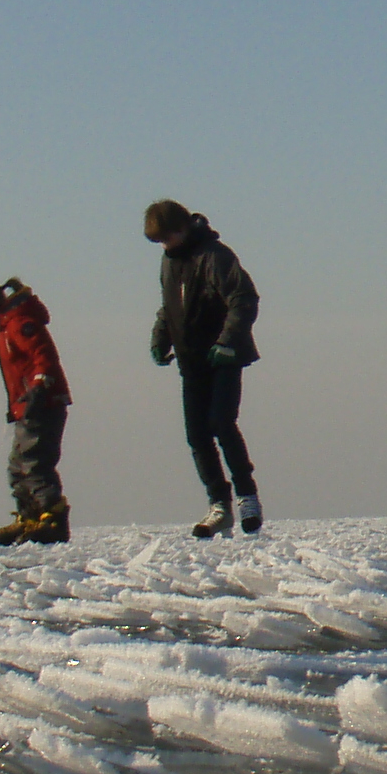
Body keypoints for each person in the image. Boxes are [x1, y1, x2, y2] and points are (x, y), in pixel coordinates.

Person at [142, 200, 261, 537]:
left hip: (223, 356)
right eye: (161, 241)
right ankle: (218, 505)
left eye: (169, 237)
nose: (166, 245)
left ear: (183, 228)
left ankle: (247, 497)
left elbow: (244, 298)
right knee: (197, 435)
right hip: (191, 361)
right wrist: (160, 339)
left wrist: (227, 341)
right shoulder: (169, 263)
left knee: (221, 423)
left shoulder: (215, 255)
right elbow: (169, 307)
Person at [0, 274, 71, 545]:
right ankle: (29, 516)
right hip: (26, 408)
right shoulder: (5, 328)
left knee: (35, 463)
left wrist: (39, 385)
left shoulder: (19, 322)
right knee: (17, 466)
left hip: (43, 403)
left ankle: (52, 518)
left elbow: (42, 354)